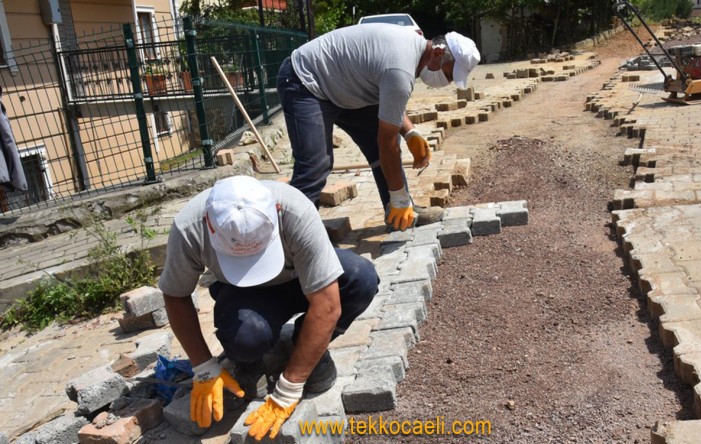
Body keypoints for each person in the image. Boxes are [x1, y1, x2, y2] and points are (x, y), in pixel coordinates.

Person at [158, 175, 378, 440]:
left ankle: (304, 349)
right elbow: (175, 295)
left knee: (360, 277)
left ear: (275, 213)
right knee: (246, 338)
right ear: (210, 225)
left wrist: (289, 389)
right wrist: (203, 367)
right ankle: (249, 361)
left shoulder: (295, 210)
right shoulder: (189, 227)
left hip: (300, 278)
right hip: (244, 293)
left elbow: (327, 305)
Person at [277, 24, 481, 231]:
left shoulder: (413, 50)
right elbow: (388, 143)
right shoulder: (400, 70)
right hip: (305, 81)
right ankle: (295, 241)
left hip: (344, 85)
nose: (446, 82)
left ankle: (399, 211)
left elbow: (390, 102)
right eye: (448, 75)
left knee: (377, 144)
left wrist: (410, 132)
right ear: (437, 53)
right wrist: (399, 196)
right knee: (315, 165)